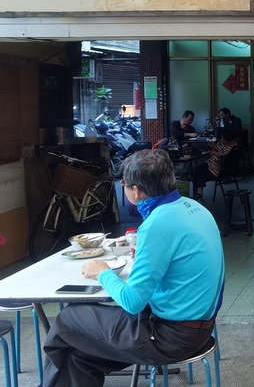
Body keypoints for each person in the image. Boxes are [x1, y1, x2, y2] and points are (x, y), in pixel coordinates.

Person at [43, 150, 224, 387]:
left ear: (136, 191)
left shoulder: (157, 224)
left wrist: (102, 271)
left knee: (68, 318)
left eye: (125, 184)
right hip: (200, 327)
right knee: (77, 355)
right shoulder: (195, 208)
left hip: (170, 338)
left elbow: (132, 301)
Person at [192, 129, 238, 201]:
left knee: (199, 172)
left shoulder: (232, 147)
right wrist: (211, 144)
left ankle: (198, 195)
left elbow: (226, 160)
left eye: (223, 138)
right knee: (199, 169)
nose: (222, 140)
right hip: (212, 164)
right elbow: (217, 147)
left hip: (220, 170)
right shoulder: (222, 143)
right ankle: (199, 194)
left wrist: (217, 155)